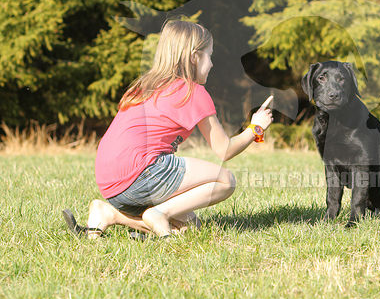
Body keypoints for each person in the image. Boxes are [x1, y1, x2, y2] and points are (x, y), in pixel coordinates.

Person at [62, 20, 273, 239]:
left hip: (110, 183)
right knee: (225, 180)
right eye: (209, 55)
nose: (211, 64)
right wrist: (255, 128)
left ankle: (108, 213)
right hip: (143, 172)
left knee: (189, 227)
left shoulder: (144, 85)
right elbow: (224, 150)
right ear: (194, 56)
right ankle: (158, 213)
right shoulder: (191, 92)